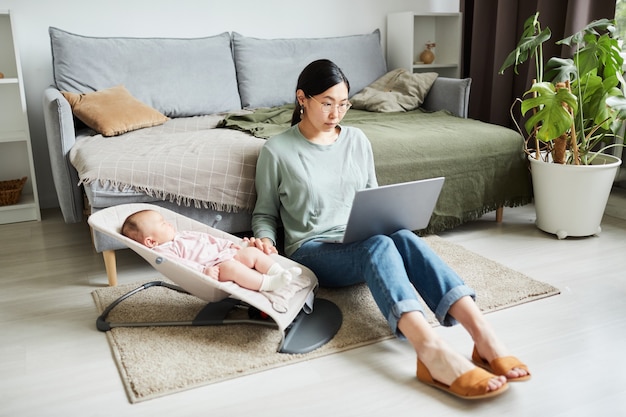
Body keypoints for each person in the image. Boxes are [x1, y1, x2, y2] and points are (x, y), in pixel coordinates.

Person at [247, 59, 530, 400]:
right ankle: (430, 350)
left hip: (359, 235)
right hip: (313, 248)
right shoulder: (277, 151)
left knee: (402, 236)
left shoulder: (357, 140)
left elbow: (374, 198)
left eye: (343, 104)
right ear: (302, 99)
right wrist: (265, 240)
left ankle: (483, 336)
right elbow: (265, 213)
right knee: (379, 246)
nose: (336, 113)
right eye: (327, 103)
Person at [121, 209, 300, 292]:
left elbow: (209, 239)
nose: (168, 223)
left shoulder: (183, 235)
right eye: (162, 224)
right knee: (233, 268)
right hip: (213, 267)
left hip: (224, 253)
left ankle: (281, 272)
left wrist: (229, 246)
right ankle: (269, 283)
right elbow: (182, 265)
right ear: (151, 241)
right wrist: (203, 271)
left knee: (252, 253)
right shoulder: (165, 250)